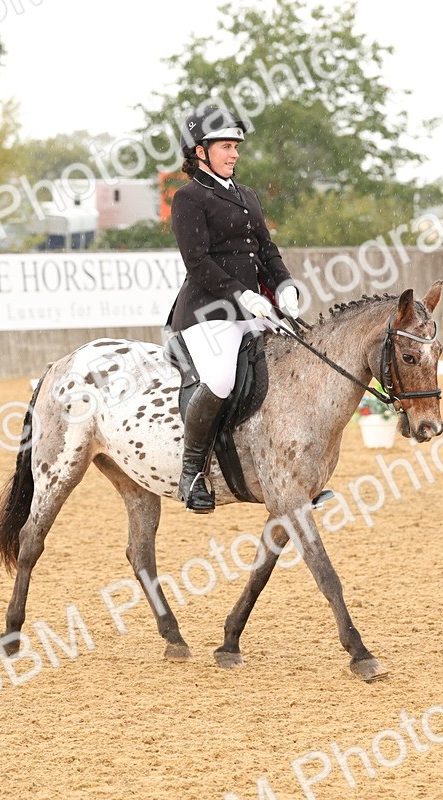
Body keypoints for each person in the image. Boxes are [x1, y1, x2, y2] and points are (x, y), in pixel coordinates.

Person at [167, 105, 301, 513]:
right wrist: (241, 295)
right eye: (226, 146)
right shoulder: (189, 198)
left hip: (255, 310)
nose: (235, 154)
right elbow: (198, 262)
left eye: (236, 146)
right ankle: (191, 474)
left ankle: (295, 476)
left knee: (292, 366)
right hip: (207, 312)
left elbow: (265, 249)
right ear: (200, 151)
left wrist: (284, 285)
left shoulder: (246, 195)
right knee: (222, 381)